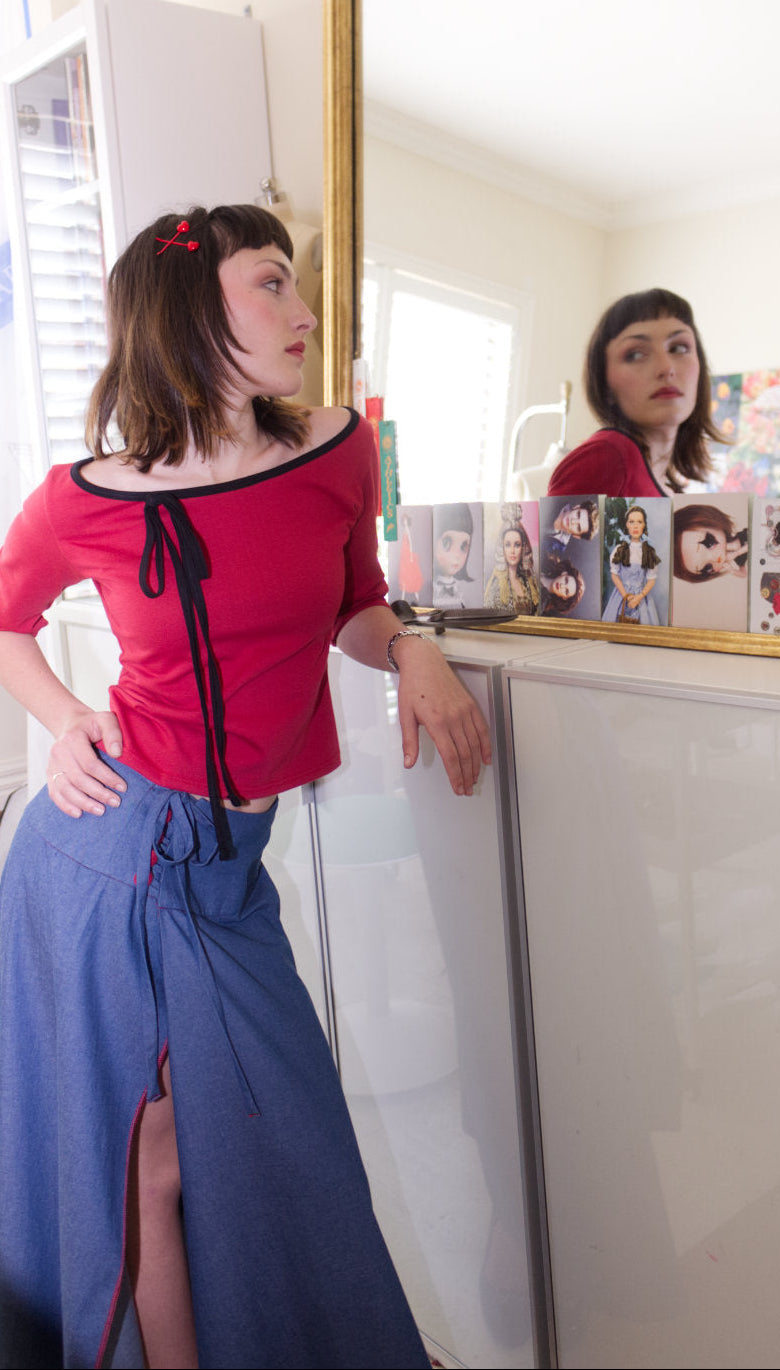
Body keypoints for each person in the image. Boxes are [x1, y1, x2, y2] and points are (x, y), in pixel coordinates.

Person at [0, 204, 491, 1370]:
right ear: (188, 314)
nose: (305, 312)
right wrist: (66, 718)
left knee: (282, 1143)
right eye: (272, 284)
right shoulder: (86, 495)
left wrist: (414, 645)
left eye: (296, 285)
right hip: (113, 856)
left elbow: (355, 605)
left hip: (225, 866)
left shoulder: (336, 450)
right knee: (155, 1157)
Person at [548, 288, 724, 498]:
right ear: (605, 383)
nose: (666, 368)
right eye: (636, 354)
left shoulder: (667, 488)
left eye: (678, 348)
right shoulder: (605, 458)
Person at [603, 505, 661, 624]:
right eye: (631, 522)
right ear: (627, 525)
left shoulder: (649, 551)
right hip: (622, 594)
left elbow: (651, 579)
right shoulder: (620, 549)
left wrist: (639, 597)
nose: (635, 526)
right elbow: (614, 574)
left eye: (639, 522)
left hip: (641, 595)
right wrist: (625, 595)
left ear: (644, 525)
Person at [672, 503, 748, 582]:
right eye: (707, 568)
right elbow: (744, 574)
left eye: (709, 543)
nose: (716, 559)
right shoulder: (737, 560)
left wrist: (737, 552)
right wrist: (733, 571)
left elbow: (752, 546)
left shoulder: (743, 537)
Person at [483, 521, 539, 614]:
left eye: (517, 545)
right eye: (508, 545)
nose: (512, 551)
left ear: (523, 548)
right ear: (502, 548)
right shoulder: (497, 585)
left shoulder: (527, 582)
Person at [432, 501, 475, 608]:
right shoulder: (431, 589)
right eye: (447, 543)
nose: (456, 555)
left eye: (463, 547)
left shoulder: (458, 590)